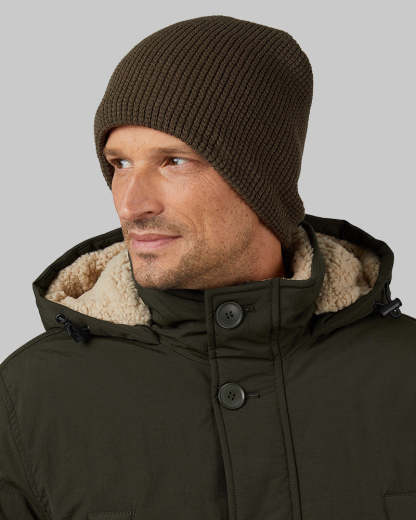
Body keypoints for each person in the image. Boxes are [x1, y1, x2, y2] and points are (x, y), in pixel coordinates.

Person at [1, 14, 414, 520]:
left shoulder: (404, 374)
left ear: (262, 178)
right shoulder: (30, 398)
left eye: (173, 161)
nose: (130, 203)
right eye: (119, 163)